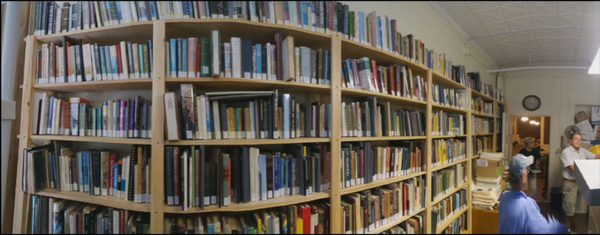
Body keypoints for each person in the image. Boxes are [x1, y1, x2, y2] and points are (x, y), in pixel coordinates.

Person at [498, 154, 568, 234]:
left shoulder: (504, 197)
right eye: (527, 170)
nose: (528, 172)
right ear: (523, 176)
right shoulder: (527, 205)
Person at [560, 133, 600, 232]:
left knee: (575, 208)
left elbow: (595, 157)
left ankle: (569, 228)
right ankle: (566, 230)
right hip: (570, 184)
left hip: (580, 183)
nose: (578, 141)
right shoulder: (566, 152)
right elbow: (574, 168)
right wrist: (591, 169)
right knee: (569, 210)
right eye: (576, 139)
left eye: (580, 139)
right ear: (571, 141)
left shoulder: (583, 151)